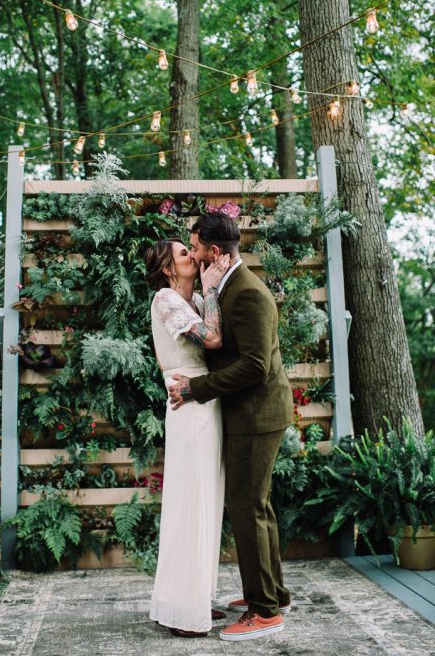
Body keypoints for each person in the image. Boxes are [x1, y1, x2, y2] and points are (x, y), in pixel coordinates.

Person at [168, 213, 294, 643]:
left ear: (214, 252)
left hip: (257, 416)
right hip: (249, 414)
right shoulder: (226, 288)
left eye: (195, 248)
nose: (194, 254)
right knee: (258, 505)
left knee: (246, 508)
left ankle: (264, 613)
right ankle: (273, 593)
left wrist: (197, 389)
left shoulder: (247, 294)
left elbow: (256, 367)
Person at [144, 237, 230, 638]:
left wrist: (208, 294)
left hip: (205, 401)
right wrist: (211, 289)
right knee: (190, 502)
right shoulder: (165, 299)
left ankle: (193, 598)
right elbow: (211, 340)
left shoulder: (192, 301)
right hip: (188, 403)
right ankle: (182, 610)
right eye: (183, 253)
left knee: (206, 500)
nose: (192, 257)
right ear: (166, 268)